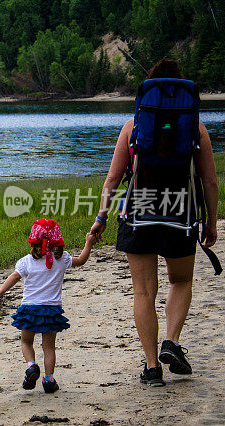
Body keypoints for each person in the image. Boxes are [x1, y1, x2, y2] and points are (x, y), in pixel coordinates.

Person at [90, 58, 219, 387]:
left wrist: (101, 217)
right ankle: (171, 342)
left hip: (138, 213)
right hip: (181, 213)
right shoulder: (196, 127)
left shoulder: (133, 127)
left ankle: (151, 367)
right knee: (180, 282)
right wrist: (210, 223)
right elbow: (210, 182)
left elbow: (112, 180)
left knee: (144, 291)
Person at [0, 219, 96, 394]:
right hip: (51, 310)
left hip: (30, 310)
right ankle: (49, 379)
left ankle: (31, 366)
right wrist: (88, 243)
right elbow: (81, 260)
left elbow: (15, 277)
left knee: (26, 342)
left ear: (33, 241)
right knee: (49, 347)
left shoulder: (26, 261)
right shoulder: (62, 259)